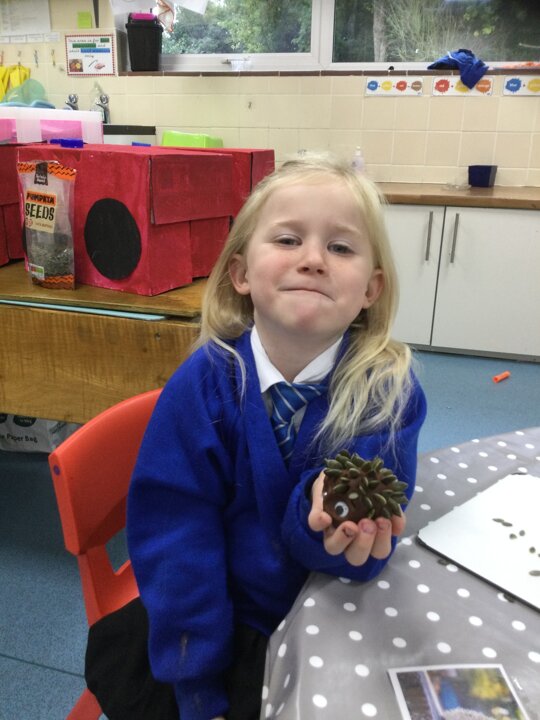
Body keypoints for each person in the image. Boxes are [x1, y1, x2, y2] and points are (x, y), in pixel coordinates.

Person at [98, 153, 426, 720]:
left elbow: (361, 552)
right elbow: (176, 538)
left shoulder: (389, 394)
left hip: (332, 618)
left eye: (340, 247)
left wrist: (328, 529)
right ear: (242, 273)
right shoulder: (203, 386)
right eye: (288, 240)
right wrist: (197, 683)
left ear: (371, 288)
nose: (313, 260)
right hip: (214, 622)